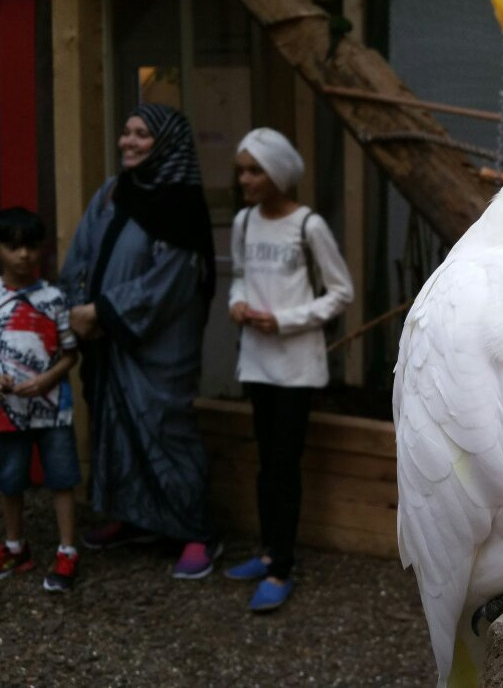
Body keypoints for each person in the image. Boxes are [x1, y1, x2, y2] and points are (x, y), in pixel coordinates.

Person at [58, 103, 219, 579]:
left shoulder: (180, 205)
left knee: (164, 427)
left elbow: (169, 283)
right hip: (108, 342)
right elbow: (81, 253)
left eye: (142, 134)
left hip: (158, 346)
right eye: (126, 132)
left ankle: (197, 530)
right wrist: (75, 305)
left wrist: (102, 311)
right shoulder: (112, 192)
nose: (129, 141)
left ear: (166, 143)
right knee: (115, 426)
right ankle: (133, 517)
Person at [224, 128, 353, 611]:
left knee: (284, 464)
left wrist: (285, 320)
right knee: (266, 464)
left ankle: (281, 566)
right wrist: (238, 304)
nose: (245, 179)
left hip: (297, 367)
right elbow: (239, 276)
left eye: (254, 170)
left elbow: (341, 293)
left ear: (278, 173)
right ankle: (267, 551)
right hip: (256, 362)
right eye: (241, 170)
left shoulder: (308, 226)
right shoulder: (242, 223)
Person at [0, 208, 82, 592]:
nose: (23, 256)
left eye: (31, 247)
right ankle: (15, 545)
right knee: (10, 480)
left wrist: (47, 378)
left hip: (53, 410)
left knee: (61, 478)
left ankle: (68, 549)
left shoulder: (54, 298)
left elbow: (70, 353)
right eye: (13, 247)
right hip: (7, 412)